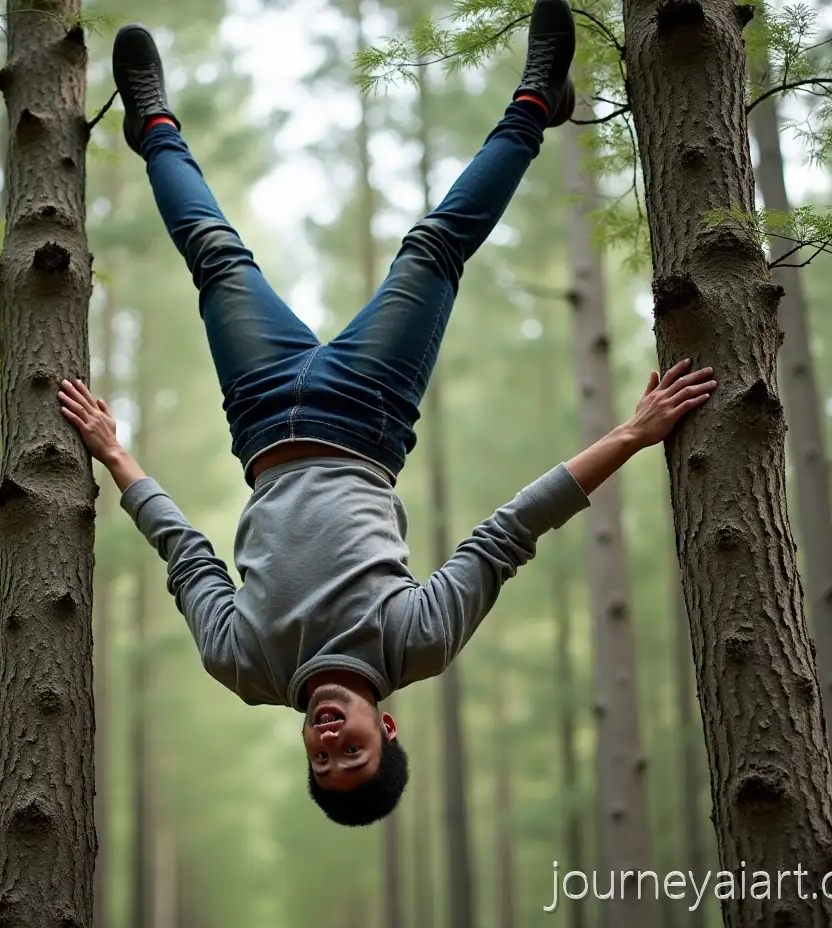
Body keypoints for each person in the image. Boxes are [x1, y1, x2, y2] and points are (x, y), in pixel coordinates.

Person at [59, 0, 717, 827]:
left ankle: (154, 125)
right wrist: (631, 435)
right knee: (433, 249)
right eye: (353, 753)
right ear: (387, 727)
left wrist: (116, 457)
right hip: (368, 412)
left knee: (216, 254)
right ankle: (535, 106)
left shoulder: (248, 667)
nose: (329, 741)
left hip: (262, 417)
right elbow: (508, 534)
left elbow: (185, 554)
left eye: (323, 760)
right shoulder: (416, 643)